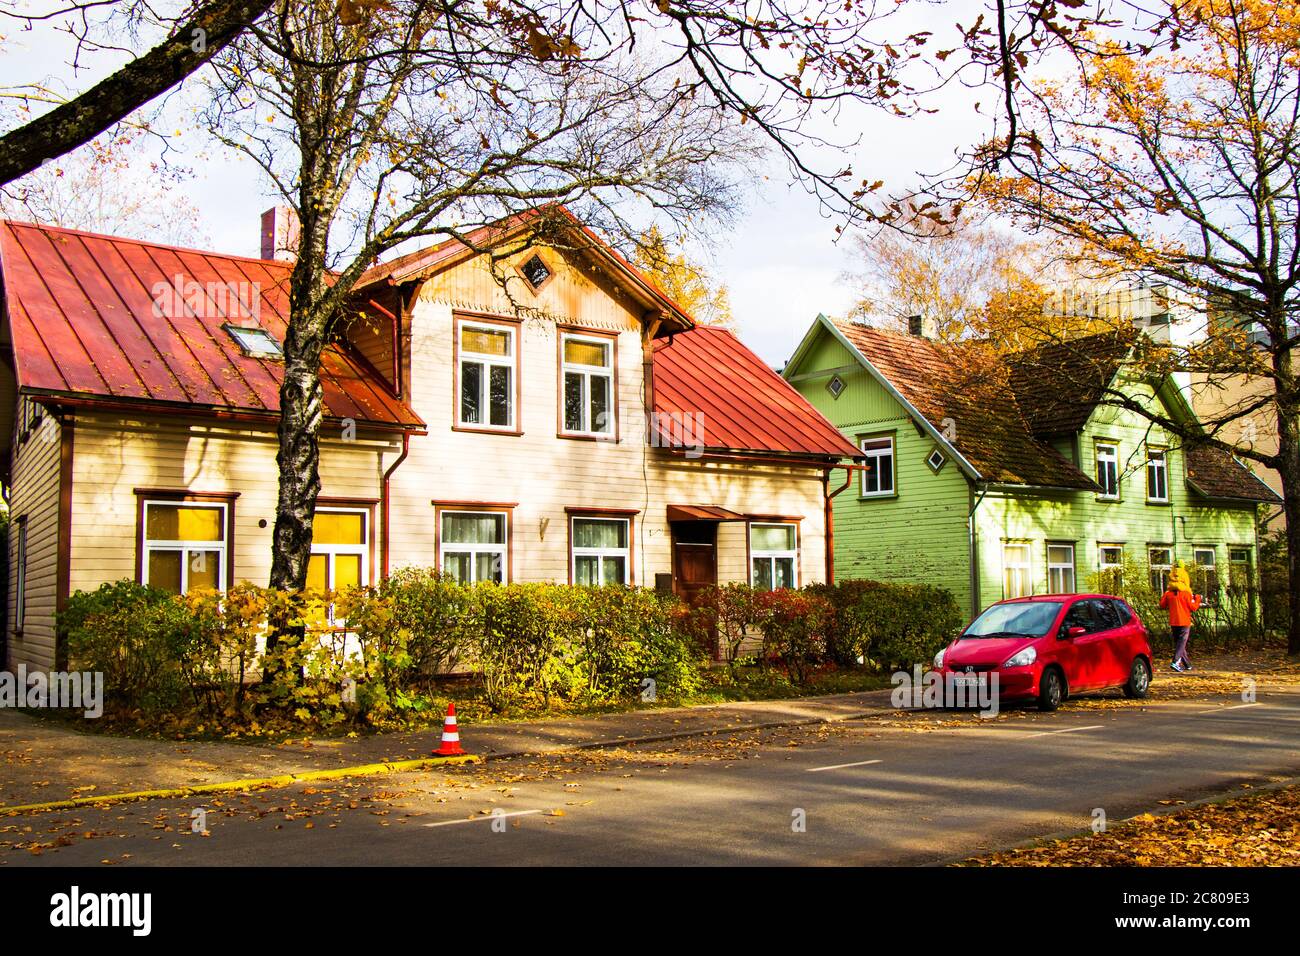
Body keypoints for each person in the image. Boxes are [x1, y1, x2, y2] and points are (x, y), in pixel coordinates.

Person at [1159, 562, 1203, 672]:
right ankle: (1175, 662)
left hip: (1173, 622)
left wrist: (1165, 596)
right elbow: (1193, 607)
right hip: (1184, 621)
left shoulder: (1168, 594)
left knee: (1179, 644)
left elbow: (1162, 605)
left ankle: (1187, 664)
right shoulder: (1186, 594)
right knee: (1181, 643)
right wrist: (1198, 599)